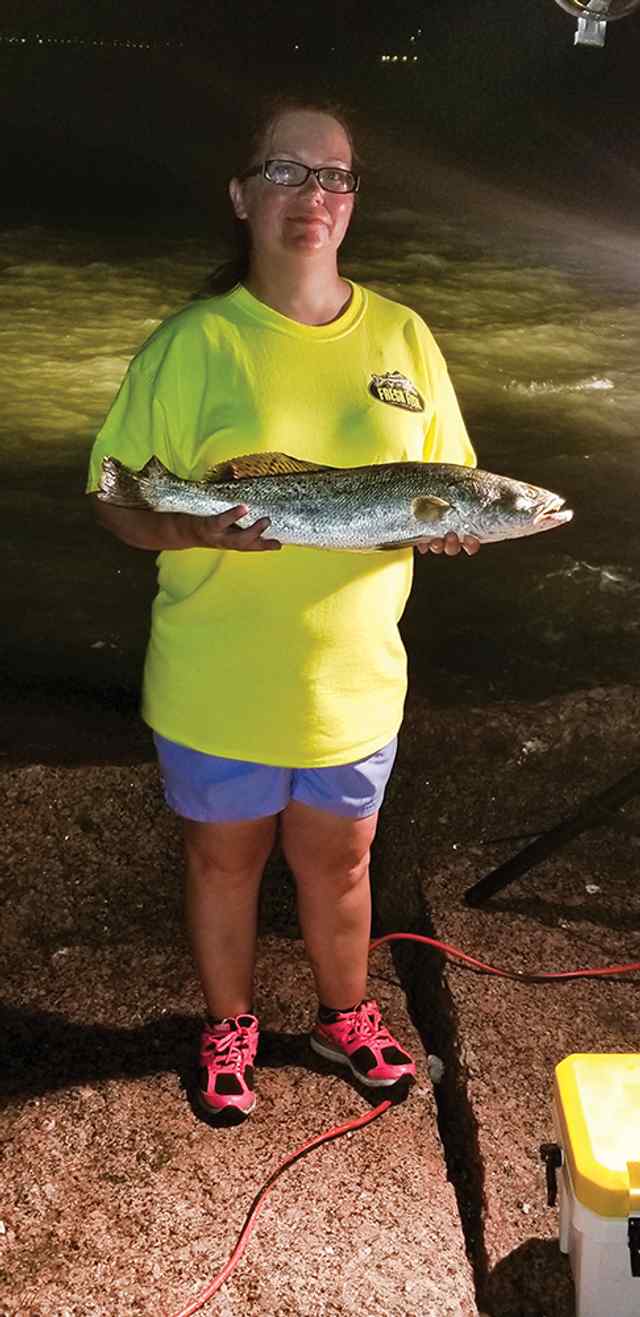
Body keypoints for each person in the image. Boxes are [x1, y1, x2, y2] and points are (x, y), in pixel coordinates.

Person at [87, 97, 479, 1124]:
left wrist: (452, 527)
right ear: (240, 194)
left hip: (354, 677)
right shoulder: (192, 343)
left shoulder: (402, 334)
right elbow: (116, 500)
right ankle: (229, 1024)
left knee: (342, 862)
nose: (314, 194)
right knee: (223, 862)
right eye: (286, 170)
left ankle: (343, 1015)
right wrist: (193, 532)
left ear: (354, 198)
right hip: (217, 675)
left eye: (335, 175)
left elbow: (448, 482)